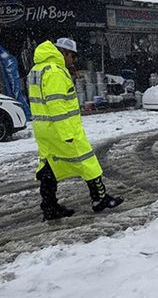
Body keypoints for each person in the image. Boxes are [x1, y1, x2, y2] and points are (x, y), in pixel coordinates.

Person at [28, 38, 123, 221]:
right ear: (63, 53)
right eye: (72, 56)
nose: (73, 61)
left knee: (50, 166)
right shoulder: (55, 72)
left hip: (44, 128)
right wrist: (67, 134)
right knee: (88, 160)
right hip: (61, 127)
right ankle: (100, 199)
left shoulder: (37, 69)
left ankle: (49, 207)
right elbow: (57, 105)